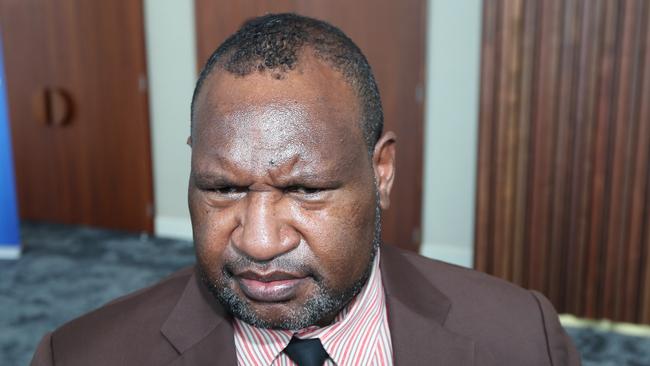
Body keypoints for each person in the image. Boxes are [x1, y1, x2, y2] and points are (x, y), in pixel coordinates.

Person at [31, 13, 580, 366]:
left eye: (305, 190)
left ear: (381, 171)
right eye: (222, 188)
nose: (260, 243)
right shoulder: (80, 356)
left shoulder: (523, 338)